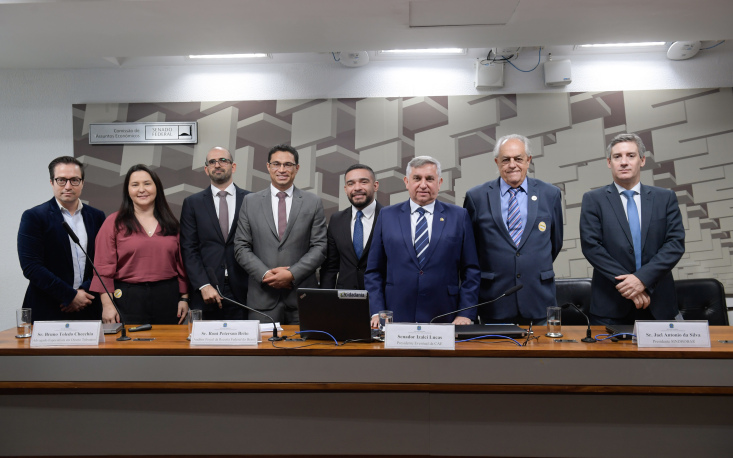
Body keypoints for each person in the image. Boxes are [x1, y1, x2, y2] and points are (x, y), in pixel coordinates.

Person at [580, 133, 685, 325]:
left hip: (658, 303)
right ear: (609, 162)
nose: (624, 162)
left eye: (631, 155)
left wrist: (642, 280)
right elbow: (591, 247)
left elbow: (675, 244)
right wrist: (629, 285)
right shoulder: (593, 200)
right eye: (617, 157)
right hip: (610, 305)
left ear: (642, 160)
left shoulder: (665, 198)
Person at [365, 156, 480, 326]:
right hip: (396, 315)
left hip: (446, 315)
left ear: (439, 182)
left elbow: (471, 270)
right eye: (417, 178)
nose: (423, 185)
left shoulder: (459, 216)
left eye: (430, 179)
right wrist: (376, 311)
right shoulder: (387, 216)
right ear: (406, 181)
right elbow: (374, 271)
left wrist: (466, 313)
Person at [464, 134, 563, 325]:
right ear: (497, 162)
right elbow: (470, 249)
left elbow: (555, 242)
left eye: (518, 159)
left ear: (528, 160)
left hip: (538, 297)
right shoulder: (476, 197)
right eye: (506, 160)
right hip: (494, 300)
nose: (512, 165)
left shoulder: (550, 194)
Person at [233, 144, 327, 325]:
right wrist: (266, 274)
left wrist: (292, 274)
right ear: (268, 167)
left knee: (305, 352)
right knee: (264, 352)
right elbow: (241, 247)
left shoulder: (312, 202)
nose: (282, 169)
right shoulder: (250, 202)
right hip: (262, 298)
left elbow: (320, 247)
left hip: (302, 298)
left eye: (288, 165)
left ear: (297, 168)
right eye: (276, 164)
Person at [91, 164, 189, 325]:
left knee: (167, 347)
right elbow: (103, 268)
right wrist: (107, 305)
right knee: (130, 348)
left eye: (147, 183)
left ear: (157, 187)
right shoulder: (113, 223)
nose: (142, 189)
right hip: (127, 299)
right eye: (135, 185)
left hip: (168, 297)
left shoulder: (172, 224)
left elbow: (182, 266)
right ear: (128, 191)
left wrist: (184, 298)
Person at [18, 156, 106, 322]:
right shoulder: (34, 216)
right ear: (52, 182)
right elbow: (31, 266)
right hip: (48, 307)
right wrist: (70, 295)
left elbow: (102, 262)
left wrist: (83, 293)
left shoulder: (97, 216)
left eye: (74, 180)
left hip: (88, 305)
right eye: (61, 180)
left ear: (82, 183)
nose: (68, 186)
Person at [180, 147, 250, 320]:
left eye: (223, 160)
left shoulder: (251, 200)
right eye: (212, 162)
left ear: (233, 166)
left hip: (244, 290)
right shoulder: (192, 203)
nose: (217, 165)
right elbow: (189, 249)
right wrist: (203, 285)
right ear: (206, 169)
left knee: (244, 345)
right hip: (206, 291)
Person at [320, 164, 382, 290]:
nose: (357, 188)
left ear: (375, 185)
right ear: (345, 189)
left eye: (363, 182)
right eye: (351, 183)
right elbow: (330, 267)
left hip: (380, 298)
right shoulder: (336, 220)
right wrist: (326, 302)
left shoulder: (390, 218)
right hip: (344, 299)